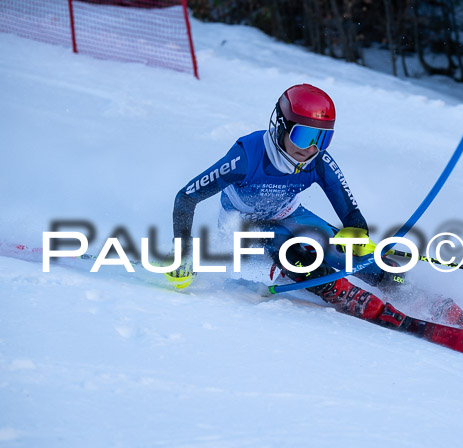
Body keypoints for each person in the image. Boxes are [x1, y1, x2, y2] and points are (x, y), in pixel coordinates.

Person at [165, 84, 404, 320]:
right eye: (303, 135)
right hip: (244, 225)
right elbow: (186, 197)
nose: (311, 148)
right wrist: (183, 253)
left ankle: (402, 286)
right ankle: (337, 291)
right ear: (281, 126)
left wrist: (357, 232)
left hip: (289, 213)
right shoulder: (246, 158)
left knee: (344, 252)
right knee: (293, 250)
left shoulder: (318, 160)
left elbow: (350, 211)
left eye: (322, 138)